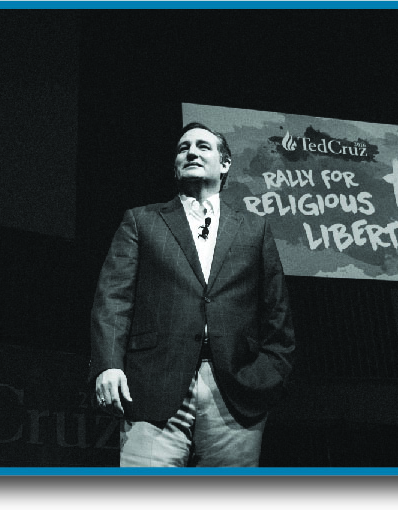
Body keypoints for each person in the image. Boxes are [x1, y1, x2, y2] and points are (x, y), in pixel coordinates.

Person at [89, 122, 295, 467]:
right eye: (183, 148)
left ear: (224, 164)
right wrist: (108, 364)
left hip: (235, 391)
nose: (192, 152)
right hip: (153, 383)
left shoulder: (254, 229)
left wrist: (267, 377)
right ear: (175, 165)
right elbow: (114, 298)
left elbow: (277, 312)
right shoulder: (142, 221)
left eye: (203, 146)